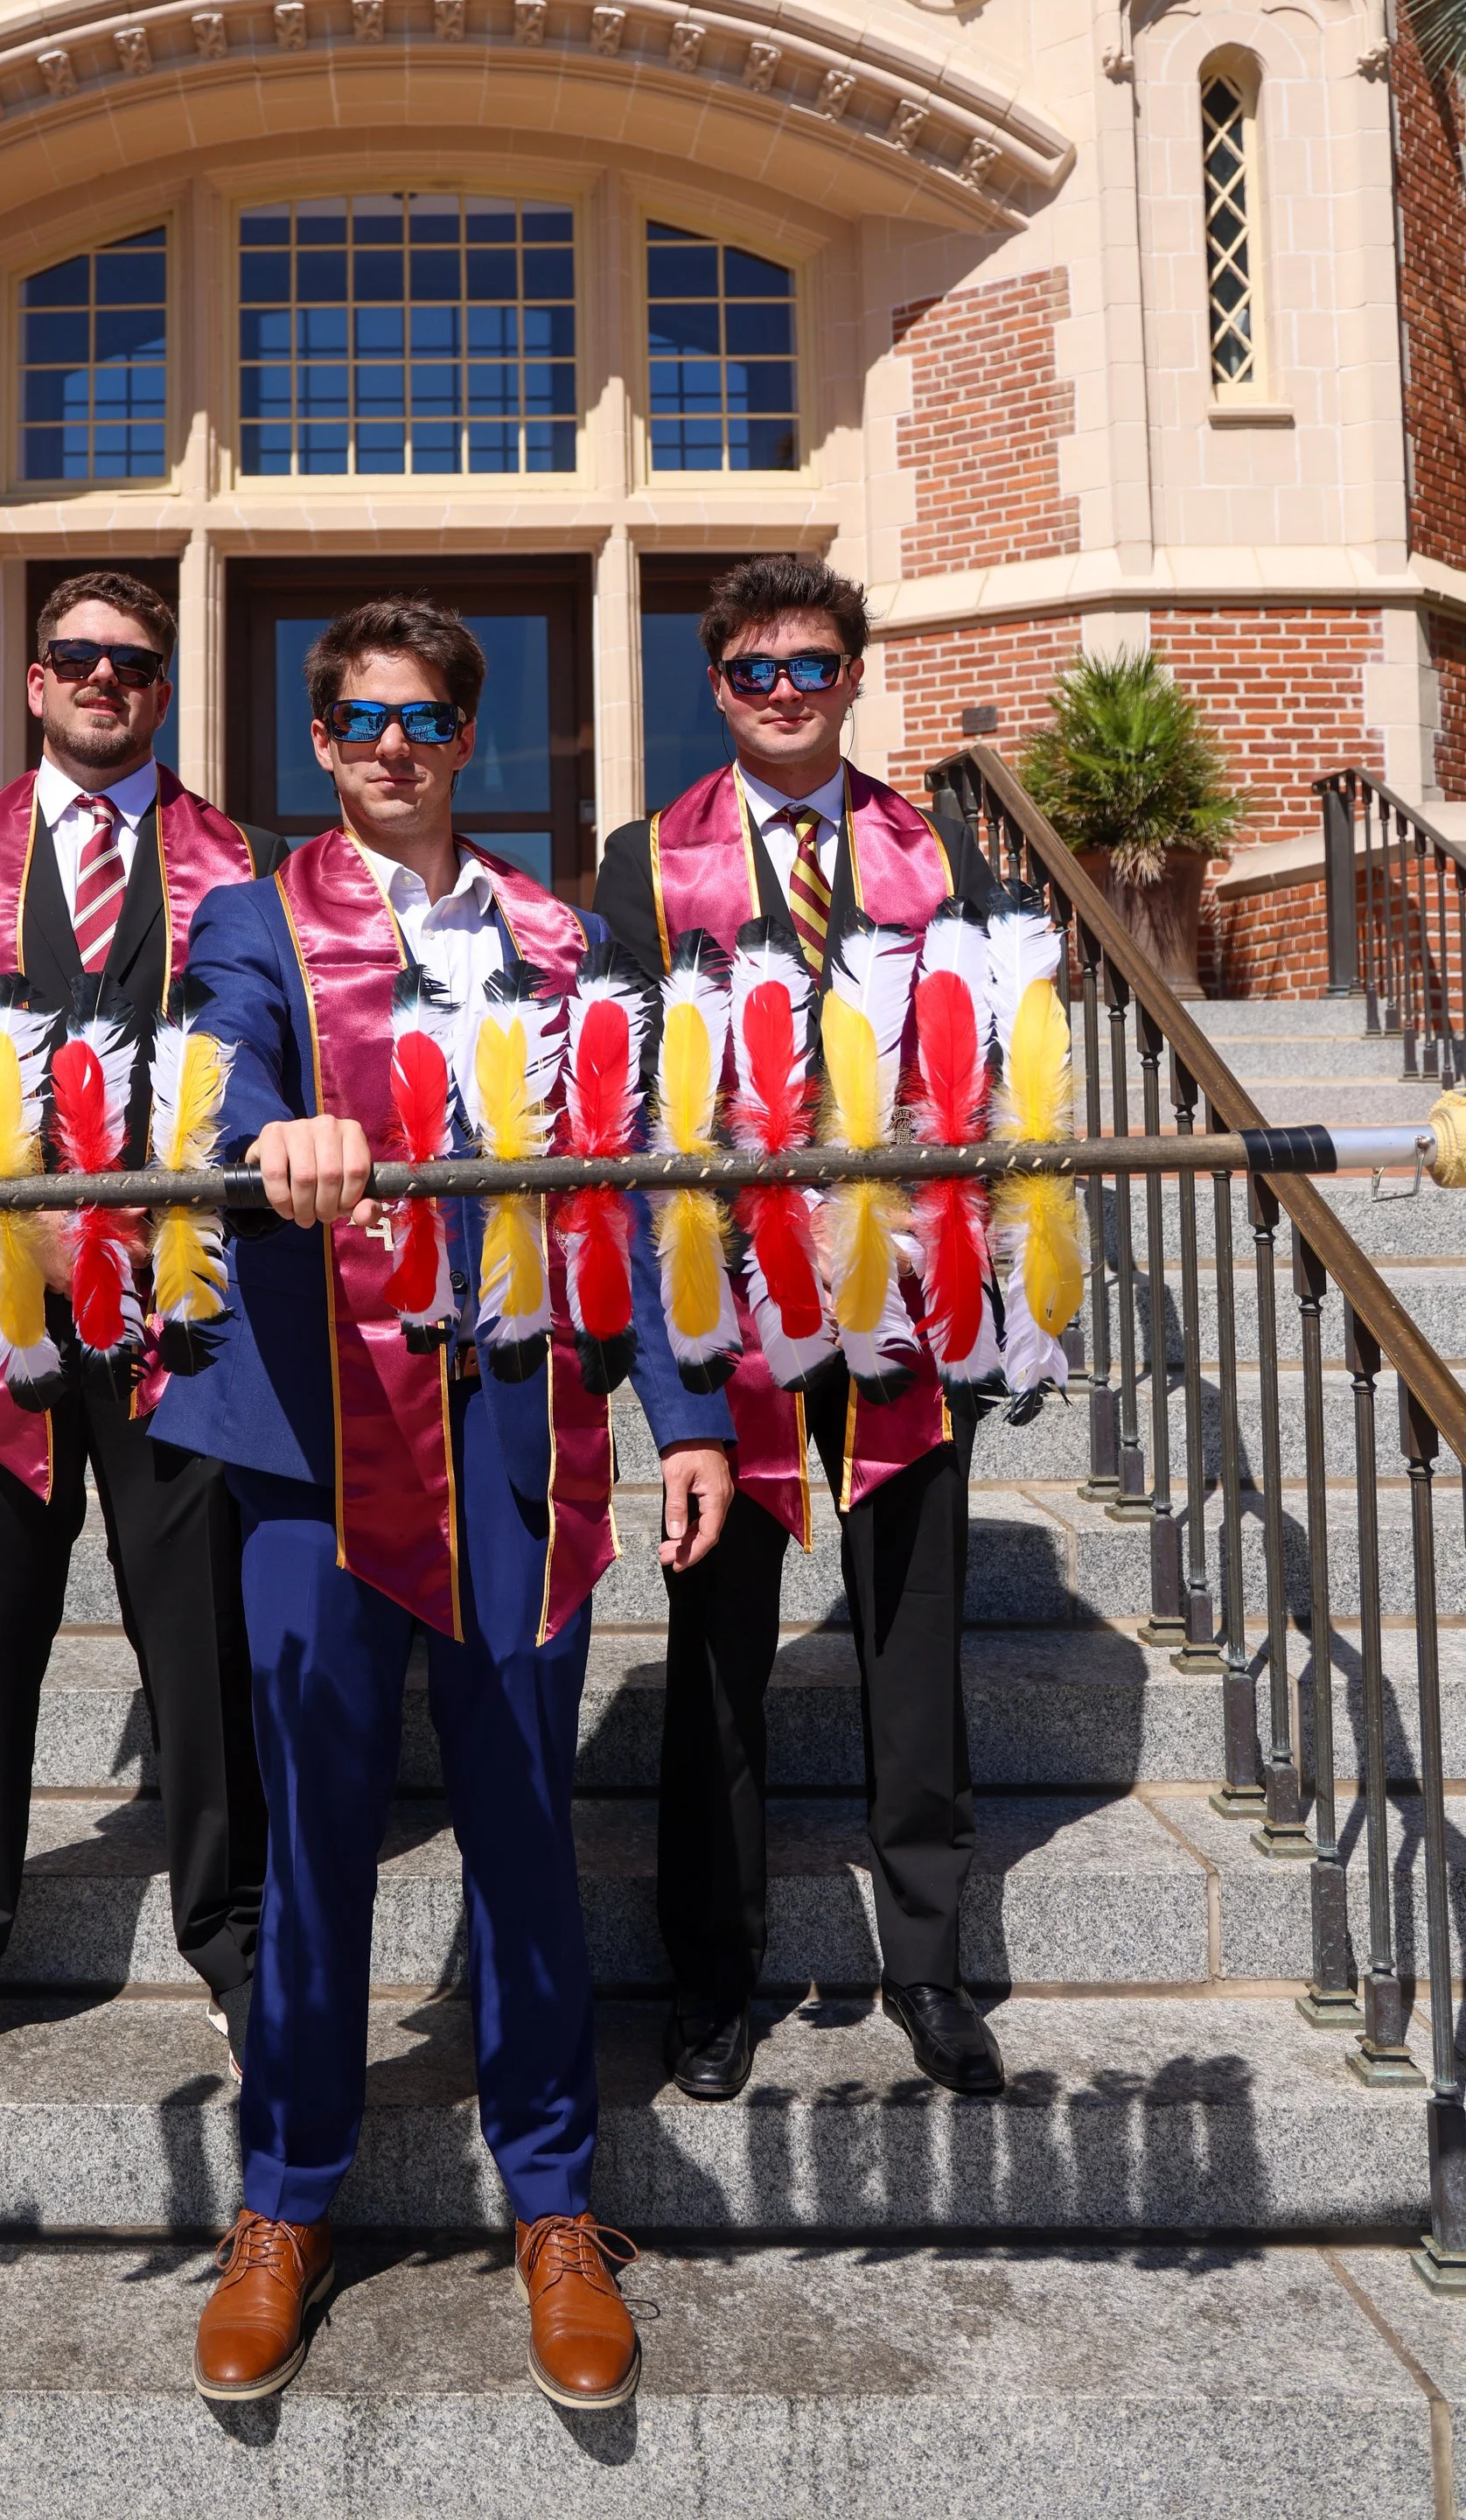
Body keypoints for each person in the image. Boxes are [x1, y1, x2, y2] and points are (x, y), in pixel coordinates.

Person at [155, 595, 735, 2413]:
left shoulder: (563, 941)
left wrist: (688, 1413)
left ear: (461, 736)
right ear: (313, 739)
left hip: (514, 1435)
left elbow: (635, 1189)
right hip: (315, 1448)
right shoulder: (249, 920)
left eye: (419, 715)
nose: (387, 744)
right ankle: (285, 2194)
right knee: (315, 1831)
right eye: (354, 719)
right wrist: (268, 1132)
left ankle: (553, 2197)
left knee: (520, 1827)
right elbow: (220, 1061)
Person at [0, 570, 279, 2103]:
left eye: (137, 665)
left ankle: (233, 1936)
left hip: (178, 1311)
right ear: (34, 683)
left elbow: (258, 1050)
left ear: (163, 693)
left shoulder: (239, 861)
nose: (108, 680)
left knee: (202, 1637)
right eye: (81, 658)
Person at [595, 553, 1007, 2110]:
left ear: (853, 676)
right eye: (754, 669)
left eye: (810, 665)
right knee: (717, 1658)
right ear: (716, 687)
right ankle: (713, 1974)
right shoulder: (645, 866)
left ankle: (932, 1965)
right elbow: (618, 1115)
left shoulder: (938, 849)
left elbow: (984, 1082)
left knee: (917, 1650)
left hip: (903, 1307)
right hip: (729, 1311)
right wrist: (668, 1371)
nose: (783, 692)